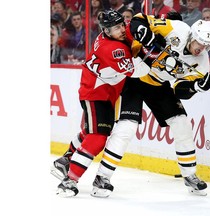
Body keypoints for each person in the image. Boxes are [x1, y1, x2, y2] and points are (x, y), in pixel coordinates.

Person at [52, 13, 210, 198]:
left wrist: (196, 86)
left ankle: (190, 175)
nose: (202, 48)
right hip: (135, 80)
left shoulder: (202, 62)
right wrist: (144, 32)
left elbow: (180, 90)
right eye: (199, 42)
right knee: (127, 128)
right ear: (191, 35)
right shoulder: (176, 29)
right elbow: (139, 20)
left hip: (159, 85)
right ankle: (102, 178)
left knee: (182, 124)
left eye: (207, 45)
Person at [55, 9, 150, 197]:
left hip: (106, 94)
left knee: (90, 132)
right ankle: (69, 181)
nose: (122, 29)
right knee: (98, 137)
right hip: (94, 94)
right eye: (116, 28)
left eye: (122, 24)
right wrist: (153, 53)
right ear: (106, 31)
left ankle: (65, 161)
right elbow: (138, 71)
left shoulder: (114, 35)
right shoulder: (111, 49)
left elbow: (134, 26)